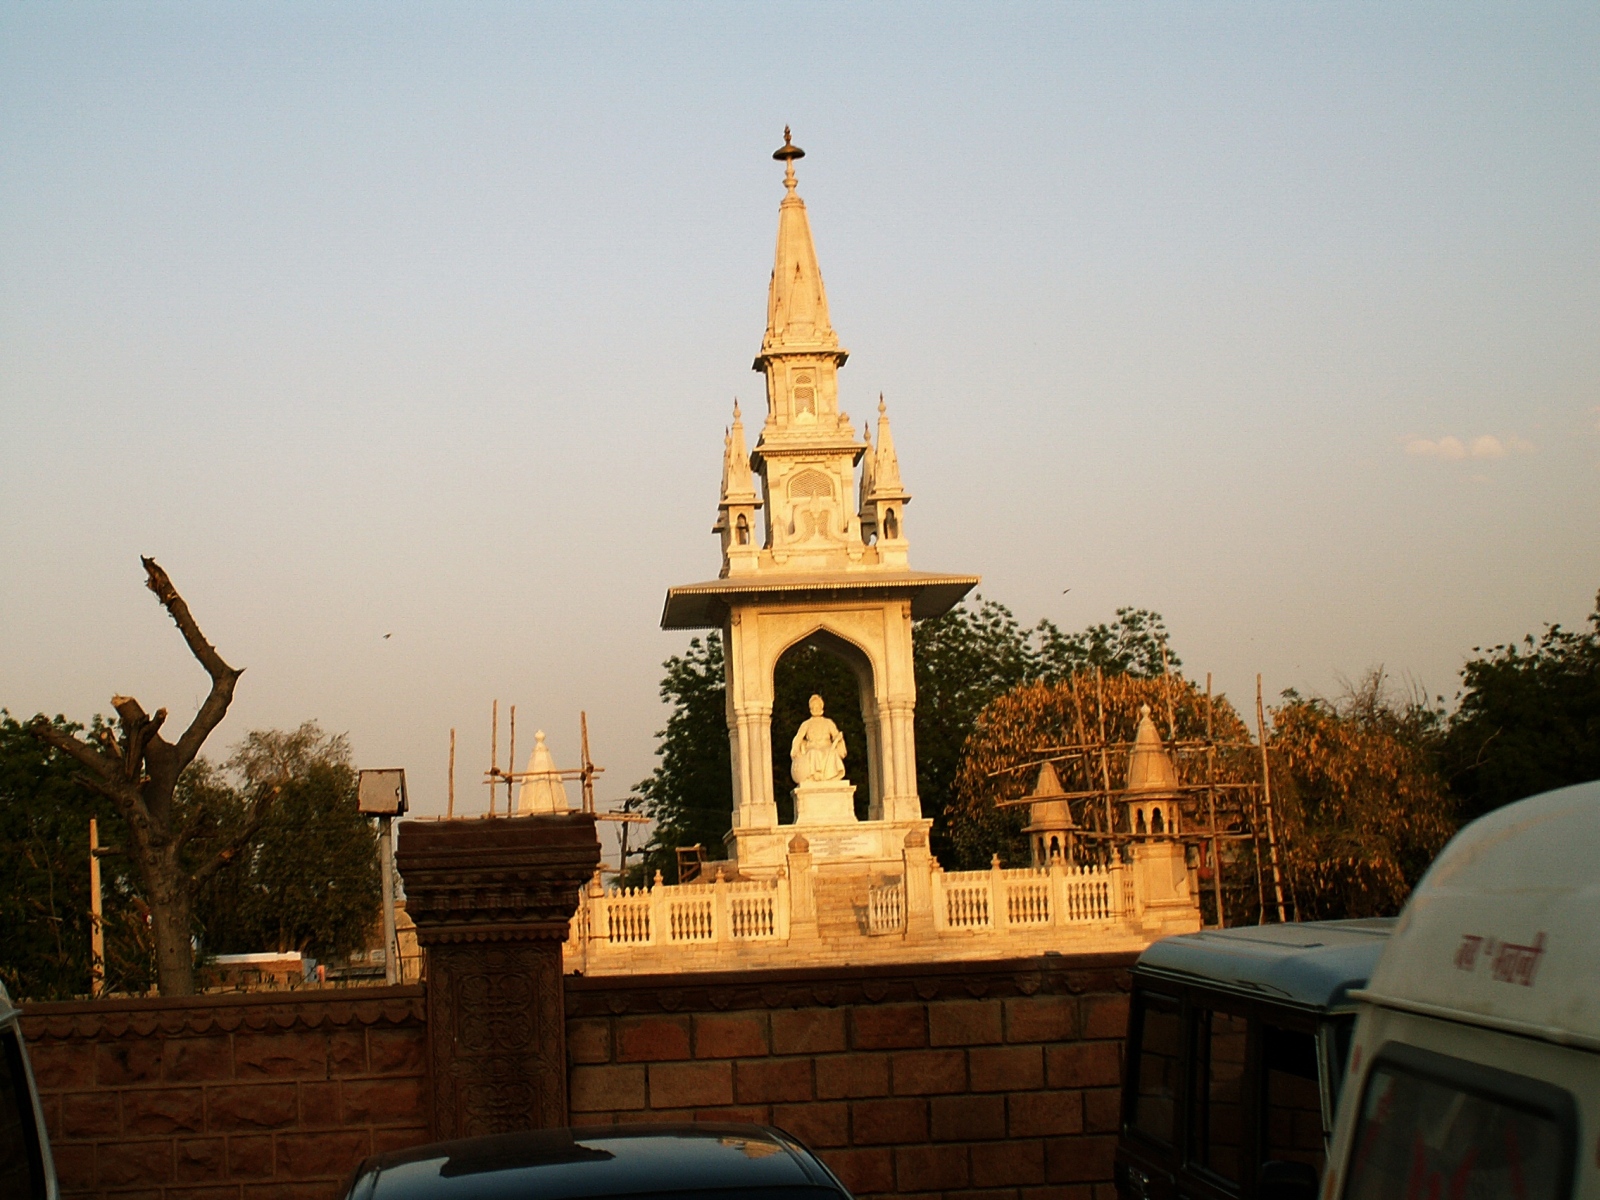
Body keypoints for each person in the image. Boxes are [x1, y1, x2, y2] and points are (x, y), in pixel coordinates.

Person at [790, 694, 847, 784]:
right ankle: (816, 775)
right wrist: (795, 750)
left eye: (817, 706)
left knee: (832, 753)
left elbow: (836, 734)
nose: (815, 708)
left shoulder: (828, 722)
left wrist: (838, 739)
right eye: (813, 706)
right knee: (814, 753)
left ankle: (831, 776)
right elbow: (799, 737)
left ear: (821, 706)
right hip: (812, 747)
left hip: (827, 746)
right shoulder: (807, 724)